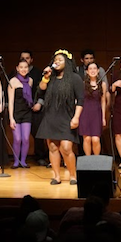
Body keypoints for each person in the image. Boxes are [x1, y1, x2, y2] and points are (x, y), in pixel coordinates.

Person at [36, 49, 85, 185]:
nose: (56, 62)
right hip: (50, 115)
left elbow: (81, 100)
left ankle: (73, 175)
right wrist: (45, 77)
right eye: (55, 60)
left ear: (67, 62)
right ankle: (56, 176)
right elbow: (41, 90)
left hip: (66, 116)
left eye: (60, 60)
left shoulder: (75, 78)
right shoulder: (50, 77)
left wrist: (76, 118)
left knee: (66, 147)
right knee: (52, 146)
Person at [17, 50, 49, 167]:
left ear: (31, 60)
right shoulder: (14, 76)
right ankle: (19, 158)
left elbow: (43, 90)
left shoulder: (38, 73)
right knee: (20, 136)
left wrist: (40, 103)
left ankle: (40, 156)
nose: (25, 60)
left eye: (27, 58)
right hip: (21, 109)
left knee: (38, 134)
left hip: (36, 107)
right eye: (23, 58)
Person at [8, 58, 34, 168]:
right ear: (17, 69)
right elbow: (10, 101)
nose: (23, 69)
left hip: (27, 113)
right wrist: (11, 118)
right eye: (21, 67)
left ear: (28, 69)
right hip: (16, 113)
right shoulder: (13, 81)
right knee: (17, 139)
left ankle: (23, 161)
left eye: (25, 67)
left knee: (26, 138)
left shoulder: (30, 81)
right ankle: (16, 161)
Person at [78, 62, 107, 156]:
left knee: (95, 139)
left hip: (97, 113)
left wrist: (103, 117)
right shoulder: (82, 84)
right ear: (87, 71)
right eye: (90, 69)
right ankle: (87, 160)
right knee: (86, 139)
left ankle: (96, 160)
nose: (93, 70)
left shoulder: (102, 84)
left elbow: (103, 101)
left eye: (95, 68)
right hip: (85, 113)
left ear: (98, 71)